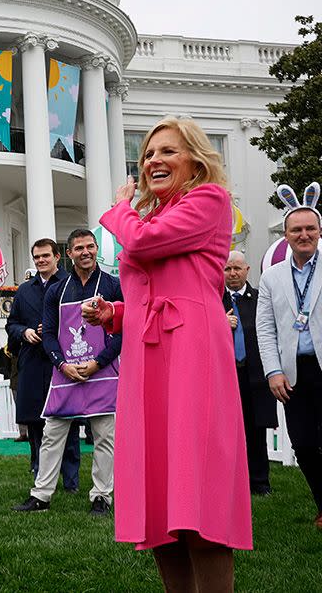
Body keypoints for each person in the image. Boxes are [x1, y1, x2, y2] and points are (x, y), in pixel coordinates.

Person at [84, 116, 250, 590]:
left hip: (192, 352)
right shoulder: (153, 215)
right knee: (160, 512)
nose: (154, 160)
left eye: (167, 152)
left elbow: (141, 243)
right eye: (149, 154)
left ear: (195, 160)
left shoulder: (209, 200)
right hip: (147, 358)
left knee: (199, 505)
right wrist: (113, 312)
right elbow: (152, 288)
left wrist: (120, 207)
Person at [13, 229, 122, 516]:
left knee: (104, 437)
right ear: (70, 253)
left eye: (90, 247)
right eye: (79, 248)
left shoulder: (112, 285)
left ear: (96, 248)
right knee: (52, 434)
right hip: (66, 371)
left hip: (103, 371)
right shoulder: (56, 291)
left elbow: (124, 330)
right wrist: (61, 364)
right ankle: (41, 496)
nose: (85, 252)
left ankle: (101, 496)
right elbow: (48, 333)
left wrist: (99, 362)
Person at [256, 186, 322, 526]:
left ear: (319, 231)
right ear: (286, 235)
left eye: (310, 228)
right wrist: (273, 371)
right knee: (305, 444)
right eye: (296, 229)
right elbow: (265, 330)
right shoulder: (271, 278)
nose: (304, 235)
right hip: (294, 373)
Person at [5, 239, 80, 488]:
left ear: (57, 257)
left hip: (62, 363)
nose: (41, 261)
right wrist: (24, 332)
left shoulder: (72, 284)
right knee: (36, 424)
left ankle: (71, 481)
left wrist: (53, 331)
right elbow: (11, 324)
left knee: (67, 424)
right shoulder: (25, 290)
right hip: (33, 363)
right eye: (36, 257)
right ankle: (40, 475)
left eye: (45, 256)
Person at [224, 251, 276, 496]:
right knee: (226, 432)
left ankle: (259, 481)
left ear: (247, 270)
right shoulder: (214, 301)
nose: (232, 274)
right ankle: (231, 482)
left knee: (256, 429)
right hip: (226, 377)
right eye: (227, 269)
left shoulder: (260, 299)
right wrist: (219, 324)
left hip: (254, 375)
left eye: (237, 268)